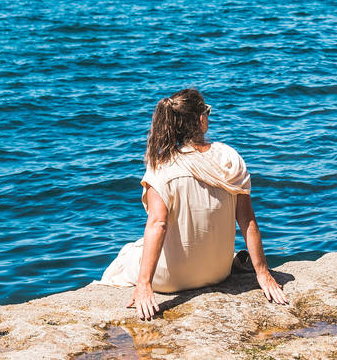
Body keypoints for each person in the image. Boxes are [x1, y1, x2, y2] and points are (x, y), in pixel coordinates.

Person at [96, 88, 287, 321]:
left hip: (170, 280)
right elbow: (247, 220)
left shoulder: (162, 166)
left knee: (127, 253)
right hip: (218, 272)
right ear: (200, 119)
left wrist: (144, 285)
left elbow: (158, 225)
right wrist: (263, 273)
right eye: (207, 111)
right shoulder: (229, 158)